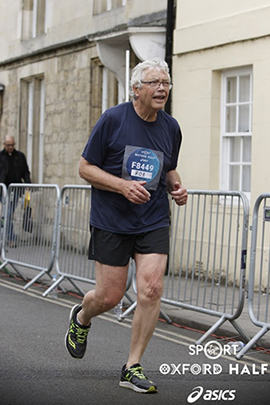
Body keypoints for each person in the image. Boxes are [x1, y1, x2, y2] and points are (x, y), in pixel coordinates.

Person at [65, 59, 188, 393]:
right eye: (155, 83)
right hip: (112, 220)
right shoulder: (113, 119)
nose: (162, 88)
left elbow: (169, 168)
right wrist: (121, 186)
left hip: (152, 219)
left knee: (150, 289)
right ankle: (82, 317)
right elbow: (85, 168)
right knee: (109, 296)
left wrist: (176, 186)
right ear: (136, 89)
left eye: (166, 82)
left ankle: (132, 366)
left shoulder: (171, 127)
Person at [0, 135, 31, 246]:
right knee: (7, 212)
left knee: (8, 213)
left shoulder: (20, 156)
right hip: (3, 190)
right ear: (4, 145)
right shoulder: (1, 156)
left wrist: (28, 184)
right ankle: (10, 237)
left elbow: (26, 171)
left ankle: (7, 235)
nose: (10, 147)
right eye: (8, 145)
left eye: (12, 145)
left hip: (16, 189)